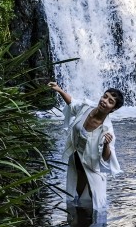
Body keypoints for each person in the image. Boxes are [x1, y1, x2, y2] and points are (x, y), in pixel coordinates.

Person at [48, 81, 123, 209]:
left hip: (92, 168)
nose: (105, 101)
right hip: (76, 161)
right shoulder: (85, 108)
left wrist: (106, 144)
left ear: (113, 109)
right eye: (105, 96)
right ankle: (76, 225)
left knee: (96, 205)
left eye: (110, 101)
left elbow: (105, 159)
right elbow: (72, 103)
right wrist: (59, 90)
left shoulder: (107, 130)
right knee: (74, 199)